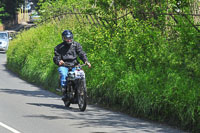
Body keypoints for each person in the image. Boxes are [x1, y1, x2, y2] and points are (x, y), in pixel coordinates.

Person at [53, 30, 91, 100]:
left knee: (80, 75)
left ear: (72, 37)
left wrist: (86, 61)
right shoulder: (58, 47)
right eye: (66, 38)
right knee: (63, 74)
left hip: (75, 65)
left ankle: (80, 90)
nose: (68, 40)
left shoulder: (76, 45)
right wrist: (59, 61)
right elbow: (56, 57)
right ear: (63, 38)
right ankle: (64, 91)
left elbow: (81, 53)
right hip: (64, 65)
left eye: (70, 38)